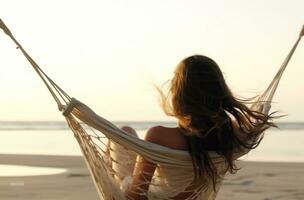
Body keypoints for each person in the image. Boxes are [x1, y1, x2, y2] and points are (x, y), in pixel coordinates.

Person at [113, 55, 276, 200]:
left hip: (154, 196)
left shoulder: (159, 136)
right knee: (127, 133)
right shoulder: (235, 135)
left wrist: (123, 181)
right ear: (220, 90)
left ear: (178, 92)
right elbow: (250, 127)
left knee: (123, 133)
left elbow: (137, 195)